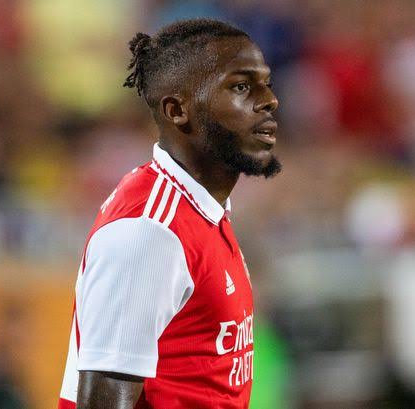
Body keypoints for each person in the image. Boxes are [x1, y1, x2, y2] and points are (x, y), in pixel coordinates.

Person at [58, 18, 280, 409]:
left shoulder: (202, 212)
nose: (269, 100)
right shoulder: (150, 231)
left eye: (266, 83)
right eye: (241, 86)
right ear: (178, 110)